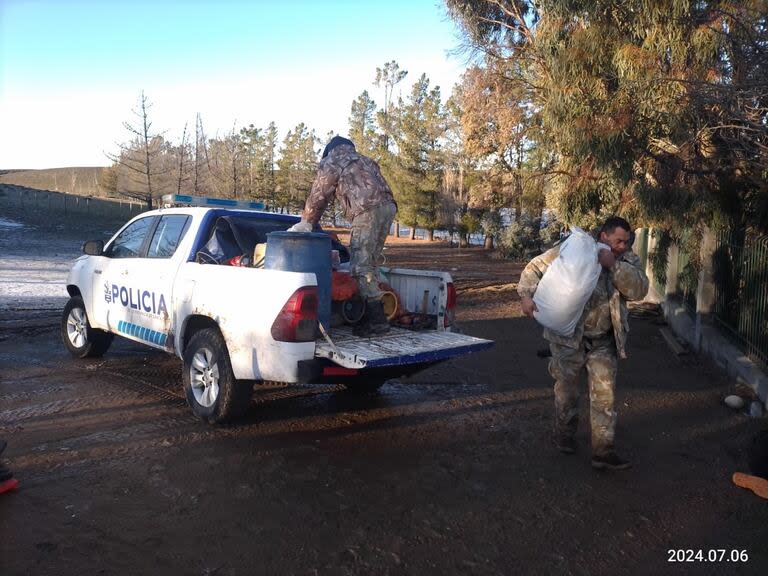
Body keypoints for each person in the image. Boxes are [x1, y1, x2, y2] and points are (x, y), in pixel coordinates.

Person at [518, 216, 649, 470]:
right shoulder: (577, 248)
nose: (624, 245)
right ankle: (564, 436)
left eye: (627, 240)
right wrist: (525, 296)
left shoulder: (626, 259)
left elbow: (640, 290)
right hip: (568, 340)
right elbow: (534, 267)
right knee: (566, 392)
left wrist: (614, 266)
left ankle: (603, 452)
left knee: (605, 397)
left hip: (604, 341)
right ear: (604, 236)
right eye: (619, 240)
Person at [289, 136, 397, 336]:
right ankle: (370, 315)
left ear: (329, 151)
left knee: (361, 266)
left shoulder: (333, 161)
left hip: (367, 210)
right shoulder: (364, 159)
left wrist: (306, 223)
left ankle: (376, 320)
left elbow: (319, 195)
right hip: (388, 207)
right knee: (371, 263)